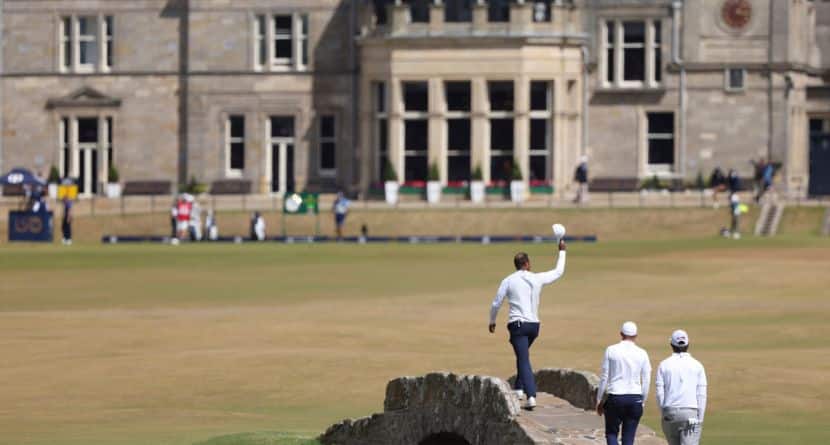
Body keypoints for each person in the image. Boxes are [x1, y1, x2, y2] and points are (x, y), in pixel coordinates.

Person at [489, 238, 567, 410]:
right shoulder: (537, 278)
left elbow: (496, 303)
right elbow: (558, 272)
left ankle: (530, 395)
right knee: (522, 355)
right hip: (534, 327)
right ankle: (518, 387)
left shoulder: (508, 280)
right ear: (527, 263)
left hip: (518, 326)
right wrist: (562, 251)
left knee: (523, 359)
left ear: (516, 264)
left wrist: (492, 321)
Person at [596, 321, 652, 445]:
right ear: (636, 336)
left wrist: (599, 400)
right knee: (628, 438)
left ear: (621, 334)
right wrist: (642, 401)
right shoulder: (642, 353)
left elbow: (604, 377)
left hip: (615, 397)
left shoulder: (611, 350)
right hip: (635, 399)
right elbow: (646, 379)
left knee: (611, 434)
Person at [655, 330, 708, 445]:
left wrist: (664, 413)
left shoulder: (664, 365)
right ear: (688, 344)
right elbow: (701, 394)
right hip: (690, 412)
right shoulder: (697, 365)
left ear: (671, 345)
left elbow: (660, 393)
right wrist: (700, 419)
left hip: (670, 412)